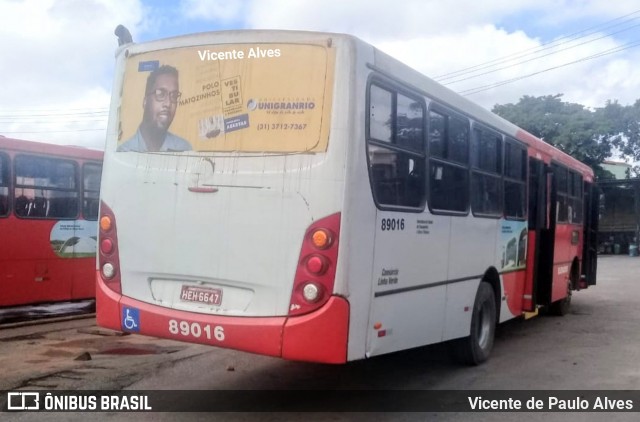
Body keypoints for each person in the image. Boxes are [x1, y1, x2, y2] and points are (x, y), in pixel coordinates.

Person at [118, 65, 192, 152]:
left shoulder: (184, 149)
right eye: (160, 94)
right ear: (145, 101)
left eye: (174, 96)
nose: (168, 103)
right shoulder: (124, 152)